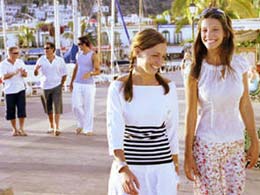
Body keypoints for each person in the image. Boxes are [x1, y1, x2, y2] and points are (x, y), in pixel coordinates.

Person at [184, 8, 259, 195]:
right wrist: (187, 154)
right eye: (204, 30)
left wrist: (255, 141)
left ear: (226, 33)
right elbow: (191, 113)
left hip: (235, 143)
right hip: (206, 145)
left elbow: (245, 105)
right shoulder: (194, 69)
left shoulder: (239, 64)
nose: (209, 35)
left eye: (215, 29)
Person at [107, 29, 179, 195]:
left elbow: (172, 131)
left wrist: (175, 170)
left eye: (163, 56)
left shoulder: (168, 88)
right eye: (155, 55)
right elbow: (114, 132)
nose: (160, 62)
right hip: (130, 170)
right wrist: (122, 169)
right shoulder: (118, 87)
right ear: (137, 52)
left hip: (162, 169)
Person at [34, 42, 67, 136]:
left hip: (57, 85)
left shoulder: (59, 60)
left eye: (47, 48)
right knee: (48, 108)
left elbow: (64, 73)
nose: (46, 50)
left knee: (57, 107)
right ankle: (51, 125)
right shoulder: (41, 60)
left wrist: (61, 84)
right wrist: (36, 70)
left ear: (53, 49)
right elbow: (36, 73)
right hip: (45, 86)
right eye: (44, 48)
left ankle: (57, 127)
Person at [69, 35, 100, 136]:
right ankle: (82, 123)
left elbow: (98, 71)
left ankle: (88, 128)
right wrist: (71, 82)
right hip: (77, 83)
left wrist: (90, 73)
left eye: (80, 44)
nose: (79, 46)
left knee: (88, 106)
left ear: (85, 44)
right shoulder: (78, 54)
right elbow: (76, 68)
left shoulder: (93, 55)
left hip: (89, 85)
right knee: (75, 106)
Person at [0, 46, 28, 136]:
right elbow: (3, 77)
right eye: (15, 53)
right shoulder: (3, 64)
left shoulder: (20, 62)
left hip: (20, 89)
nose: (17, 55)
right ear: (9, 53)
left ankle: (21, 128)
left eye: (18, 53)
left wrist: (23, 73)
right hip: (9, 90)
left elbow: (25, 74)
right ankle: (14, 129)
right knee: (10, 111)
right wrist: (14, 73)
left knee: (21, 110)